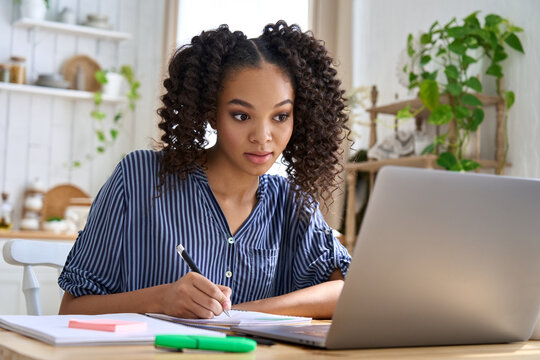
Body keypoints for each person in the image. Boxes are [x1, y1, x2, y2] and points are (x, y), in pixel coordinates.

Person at [58, 20, 351, 319]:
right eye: (241, 115)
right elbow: (70, 310)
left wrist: (236, 315)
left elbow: (346, 290)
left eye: (280, 116)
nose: (262, 137)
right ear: (211, 113)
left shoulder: (289, 202)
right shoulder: (138, 177)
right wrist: (161, 300)